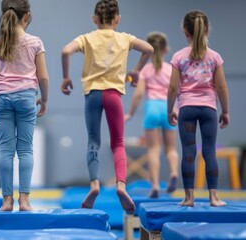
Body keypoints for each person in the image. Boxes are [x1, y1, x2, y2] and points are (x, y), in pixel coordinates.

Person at [61, 0, 153, 214]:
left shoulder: (87, 38)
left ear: (94, 19)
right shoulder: (125, 38)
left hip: (92, 95)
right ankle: (121, 185)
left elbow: (66, 51)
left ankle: (94, 185)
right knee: (118, 142)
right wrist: (137, 70)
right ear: (117, 19)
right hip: (113, 95)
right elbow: (148, 49)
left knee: (93, 140)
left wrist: (66, 77)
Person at [0, 0, 49, 211]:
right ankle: (24, 200)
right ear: (27, 16)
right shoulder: (34, 42)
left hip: (3, 98)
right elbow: (43, 78)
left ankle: (6, 201)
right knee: (25, 150)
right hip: (26, 98)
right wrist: (45, 99)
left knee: (5, 150)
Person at [167, 10, 229, 207]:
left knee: (188, 151)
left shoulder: (179, 57)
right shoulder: (214, 56)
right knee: (209, 151)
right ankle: (214, 197)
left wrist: (170, 109)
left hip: (186, 108)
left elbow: (173, 87)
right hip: (209, 109)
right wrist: (225, 111)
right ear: (207, 29)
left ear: (185, 31)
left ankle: (188, 198)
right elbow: (221, 87)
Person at [124, 32, 179, 198]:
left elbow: (138, 94)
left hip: (152, 108)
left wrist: (130, 114)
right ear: (166, 49)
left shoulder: (146, 70)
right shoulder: (171, 69)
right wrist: (175, 108)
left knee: (153, 150)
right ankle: (174, 173)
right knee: (170, 149)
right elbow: (175, 90)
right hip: (168, 107)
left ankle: (154, 185)